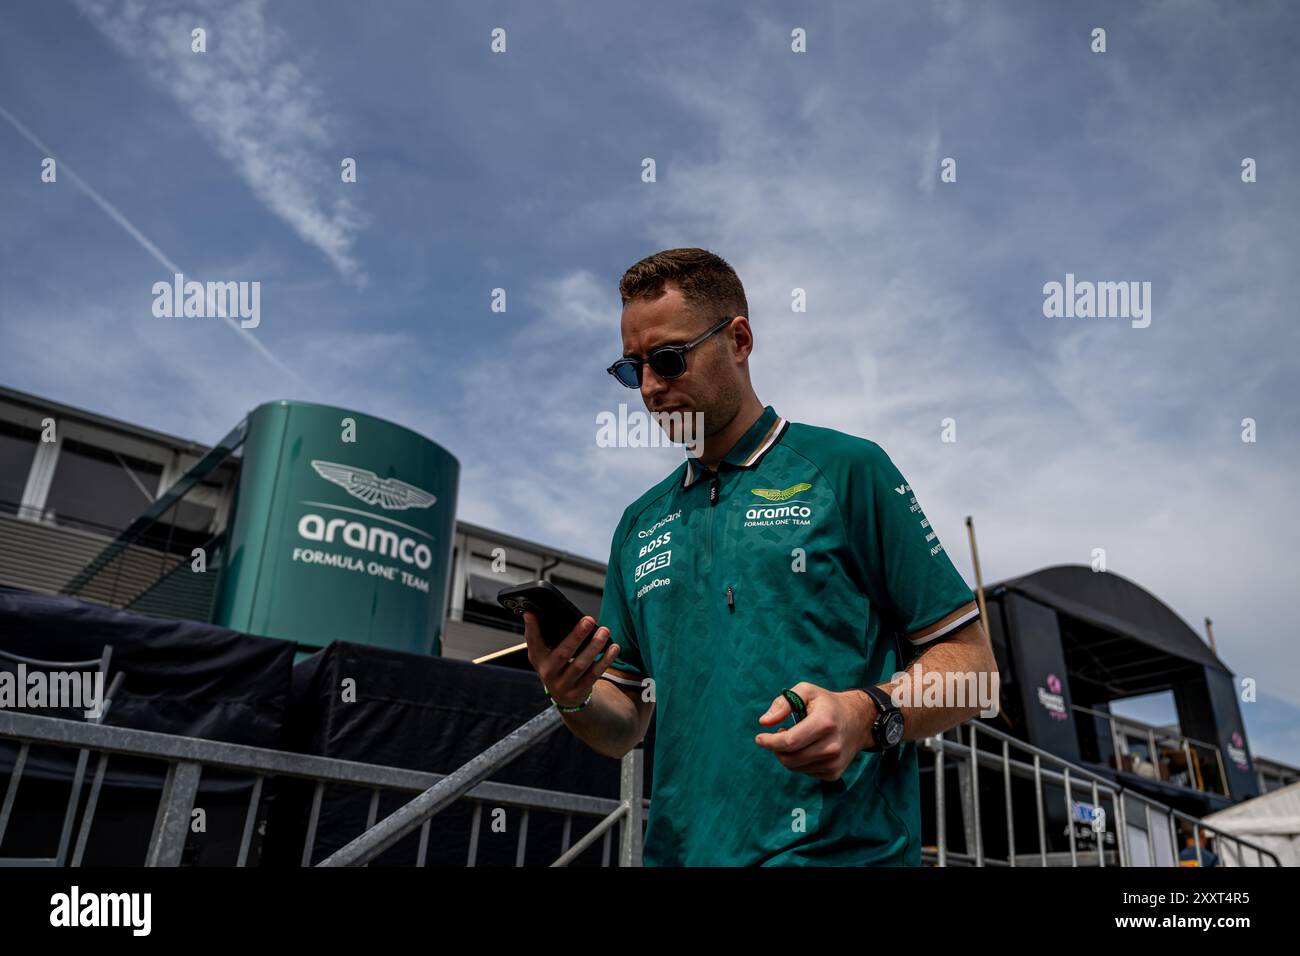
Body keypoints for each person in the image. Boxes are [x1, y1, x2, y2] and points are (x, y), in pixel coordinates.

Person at [523, 248, 998, 866]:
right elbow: (625, 725)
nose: (648, 388)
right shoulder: (638, 524)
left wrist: (865, 713)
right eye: (630, 369)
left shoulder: (848, 470)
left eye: (668, 360)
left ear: (739, 340)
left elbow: (973, 668)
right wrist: (571, 694)